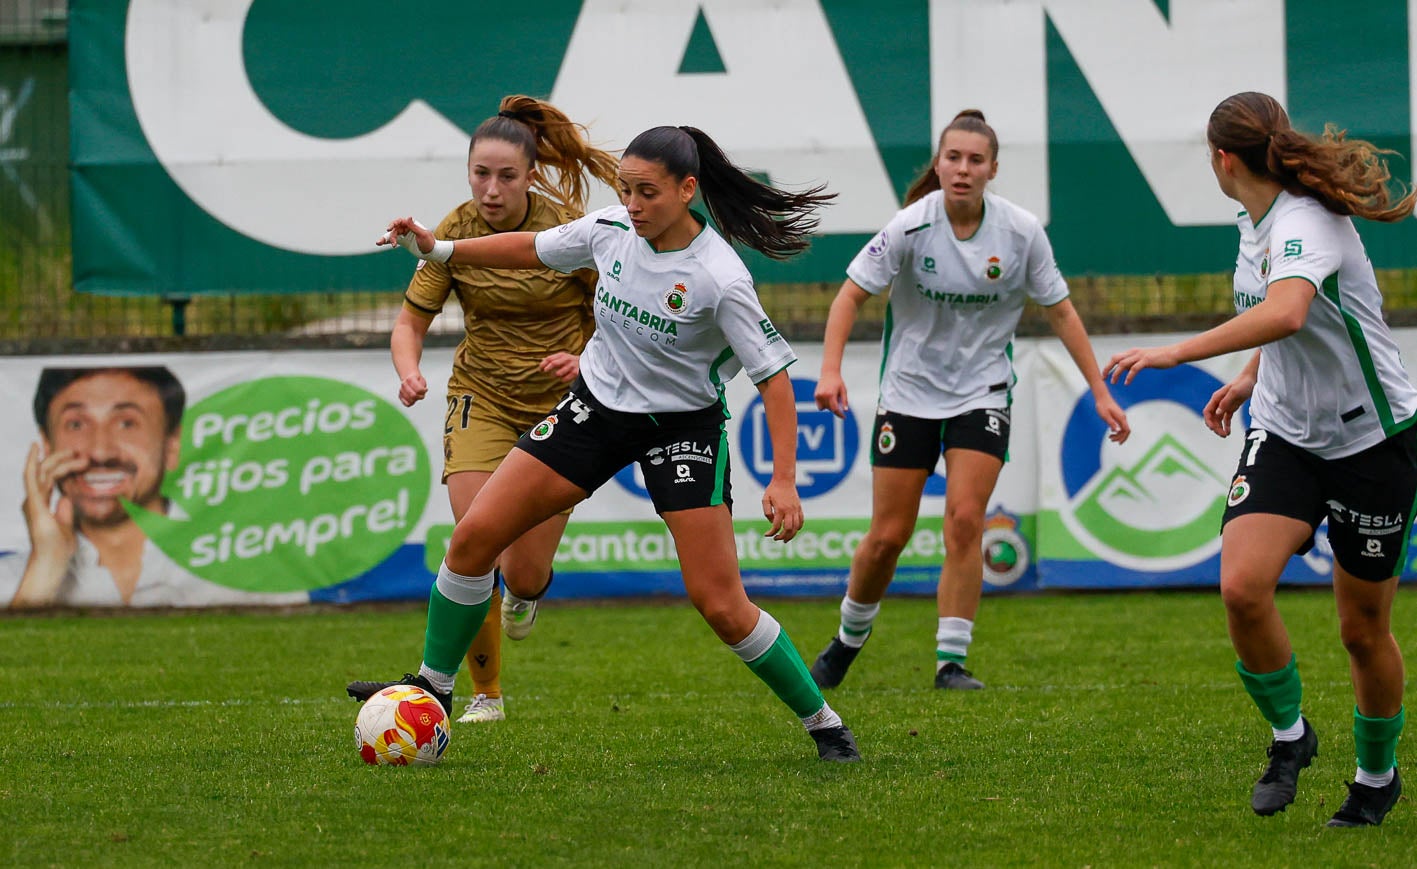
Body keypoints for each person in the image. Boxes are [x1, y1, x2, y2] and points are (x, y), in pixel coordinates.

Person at [350, 124, 861, 761]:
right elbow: (533, 248)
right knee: (474, 538)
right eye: (626, 189)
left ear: (687, 190)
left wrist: (783, 479)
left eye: (647, 192)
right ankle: (432, 690)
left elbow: (775, 381)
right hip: (595, 410)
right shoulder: (611, 230)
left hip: (683, 428)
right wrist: (441, 250)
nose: (633, 203)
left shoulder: (719, 278)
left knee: (721, 604)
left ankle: (824, 723)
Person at [1105, 91, 1416, 827]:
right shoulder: (1254, 218)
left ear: (1220, 158)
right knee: (1241, 587)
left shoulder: (1306, 218)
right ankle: (1290, 737)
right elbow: (1287, 319)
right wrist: (1248, 377)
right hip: (1283, 430)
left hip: (1371, 439)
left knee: (1360, 627)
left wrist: (1173, 352)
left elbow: (1287, 310)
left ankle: (1377, 776)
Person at [807, 110, 1130, 692]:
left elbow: (1060, 310)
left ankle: (950, 661)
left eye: (975, 160)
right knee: (888, 536)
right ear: (938, 164)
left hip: (982, 393)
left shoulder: (1021, 232)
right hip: (908, 394)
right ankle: (847, 640)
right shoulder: (910, 227)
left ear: (992, 169)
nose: (963, 169)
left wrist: (1099, 391)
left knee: (964, 521)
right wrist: (829, 371)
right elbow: (848, 297)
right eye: (953, 158)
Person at [390, 95, 618, 724]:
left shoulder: (569, 231)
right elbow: (410, 322)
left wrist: (587, 360)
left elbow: (619, 317)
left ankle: (526, 594)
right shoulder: (452, 233)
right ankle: (483, 696)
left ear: (532, 175)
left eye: (506, 176)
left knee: (526, 570)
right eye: (480, 174)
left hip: (562, 409)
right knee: (474, 542)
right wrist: (409, 370)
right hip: (480, 398)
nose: (491, 190)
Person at [0, 366, 307, 608]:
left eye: (126, 423)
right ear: (45, 445)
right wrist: (46, 567)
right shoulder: (14, 580)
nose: (100, 452)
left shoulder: (247, 572)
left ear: (171, 445)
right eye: (77, 424)